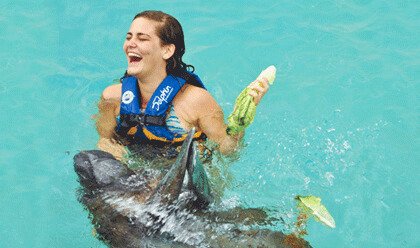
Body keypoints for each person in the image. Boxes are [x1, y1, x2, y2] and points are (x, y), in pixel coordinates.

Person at [96, 10, 270, 160]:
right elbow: (106, 140)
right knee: (87, 161)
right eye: (129, 37)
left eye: (142, 39)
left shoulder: (195, 101)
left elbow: (228, 152)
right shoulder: (112, 98)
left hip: (185, 182)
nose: (130, 44)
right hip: (139, 176)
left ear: (167, 50)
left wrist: (241, 120)